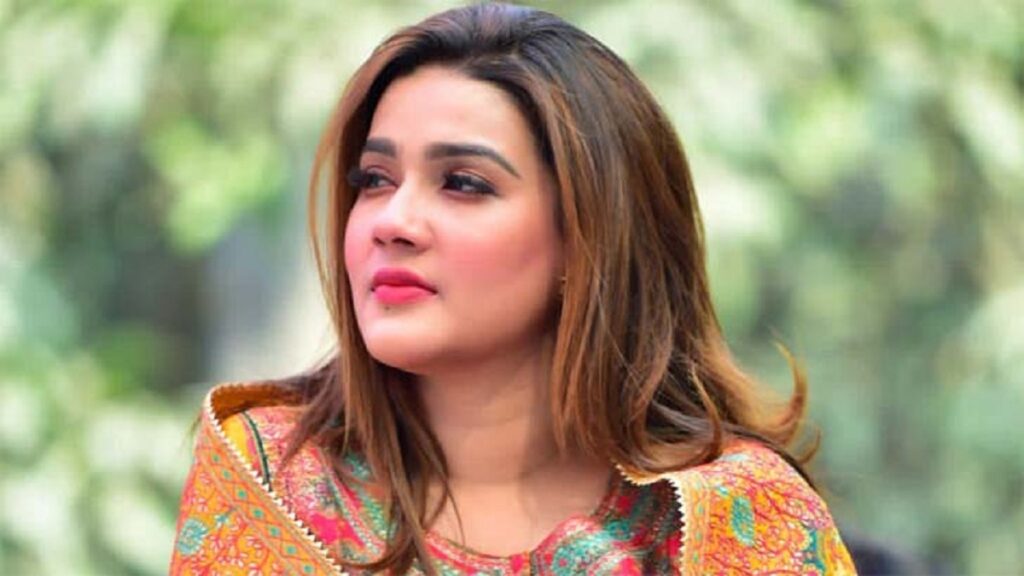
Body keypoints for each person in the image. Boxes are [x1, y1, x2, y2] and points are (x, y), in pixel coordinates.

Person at [170, 3, 856, 574]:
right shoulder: (270, 477)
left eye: (464, 183)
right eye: (374, 180)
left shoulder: (738, 520)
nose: (393, 221)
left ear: (588, 238)